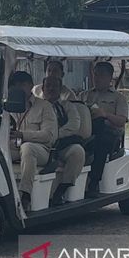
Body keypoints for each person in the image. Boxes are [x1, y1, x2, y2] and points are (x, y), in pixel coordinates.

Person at [9, 71, 58, 211]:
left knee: (27, 148)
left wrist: (22, 134)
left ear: (30, 86)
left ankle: (25, 195)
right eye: (16, 85)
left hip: (40, 150)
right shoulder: (8, 106)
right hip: (13, 148)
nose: (19, 88)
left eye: (22, 85)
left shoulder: (44, 106)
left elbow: (48, 135)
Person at [79, 62, 128, 198]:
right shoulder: (84, 95)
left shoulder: (118, 98)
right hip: (88, 131)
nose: (97, 78)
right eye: (95, 74)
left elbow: (121, 121)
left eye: (101, 75)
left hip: (111, 135)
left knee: (101, 142)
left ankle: (94, 182)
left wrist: (105, 114)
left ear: (110, 77)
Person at [42, 76, 85, 205]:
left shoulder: (67, 106)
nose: (51, 89)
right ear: (43, 88)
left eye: (54, 86)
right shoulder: (37, 106)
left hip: (60, 145)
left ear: (60, 89)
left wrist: (53, 135)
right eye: (48, 86)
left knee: (77, 151)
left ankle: (61, 190)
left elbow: (74, 125)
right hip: (40, 144)